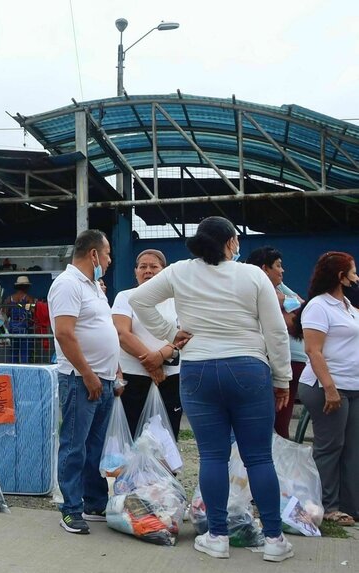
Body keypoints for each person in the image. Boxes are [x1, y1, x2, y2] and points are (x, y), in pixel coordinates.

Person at [129, 216, 293, 562]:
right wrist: (281, 379)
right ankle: (275, 539)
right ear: (231, 242)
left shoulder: (180, 271)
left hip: (199, 368)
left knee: (213, 456)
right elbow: (276, 331)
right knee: (259, 456)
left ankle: (216, 536)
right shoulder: (252, 275)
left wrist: (171, 333)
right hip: (249, 367)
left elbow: (140, 301)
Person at [48, 229, 121, 535]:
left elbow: (102, 328)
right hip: (81, 379)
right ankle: (71, 509)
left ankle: (94, 501)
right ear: (94, 255)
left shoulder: (94, 287)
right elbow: (64, 333)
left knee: (95, 448)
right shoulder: (67, 285)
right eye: (106, 255)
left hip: (102, 380)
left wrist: (113, 372)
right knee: (74, 446)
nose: (108, 260)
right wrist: (88, 373)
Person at [295, 252, 359, 527]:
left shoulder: (349, 307)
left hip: (353, 385)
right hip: (326, 386)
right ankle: (327, 506)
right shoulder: (318, 307)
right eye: (353, 271)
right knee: (331, 446)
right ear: (340, 276)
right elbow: (313, 350)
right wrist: (330, 389)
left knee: (352, 448)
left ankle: (350, 505)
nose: (357, 276)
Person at [111, 249, 182, 435]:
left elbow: (185, 335)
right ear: (136, 271)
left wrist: (160, 355)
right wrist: (151, 364)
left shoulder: (177, 300)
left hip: (170, 377)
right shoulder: (125, 297)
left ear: (164, 271)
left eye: (154, 266)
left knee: (167, 437)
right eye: (143, 266)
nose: (148, 270)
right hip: (133, 377)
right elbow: (121, 333)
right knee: (132, 436)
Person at [247, 246, 307, 440]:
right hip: (271, 360)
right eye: (278, 266)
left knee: (280, 422)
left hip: (293, 361)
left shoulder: (279, 288)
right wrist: (283, 304)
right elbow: (290, 321)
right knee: (269, 421)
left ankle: (277, 464)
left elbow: (302, 305)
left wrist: (285, 301)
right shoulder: (255, 288)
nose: (282, 271)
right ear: (264, 268)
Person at [5, 276, 36, 363]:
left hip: (12, 328)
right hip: (24, 327)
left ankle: (13, 370)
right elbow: (32, 311)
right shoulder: (28, 298)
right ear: (26, 287)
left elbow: (6, 313)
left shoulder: (9, 299)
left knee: (13, 352)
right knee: (25, 352)